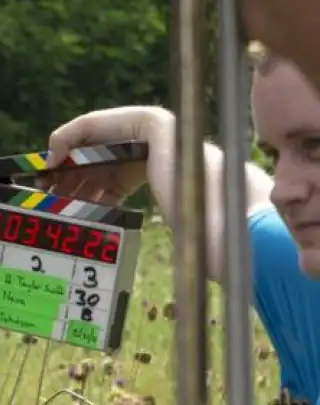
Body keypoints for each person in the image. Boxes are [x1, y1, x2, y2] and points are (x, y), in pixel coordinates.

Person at [40, 44, 320, 404]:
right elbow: (229, 207)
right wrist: (151, 130)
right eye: (274, 156)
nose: (282, 191)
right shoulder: (303, 277)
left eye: (315, 146)